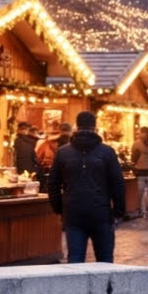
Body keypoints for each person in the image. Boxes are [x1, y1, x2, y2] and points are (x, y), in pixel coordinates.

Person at [47, 112, 125, 263]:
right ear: (95, 127)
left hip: (73, 212)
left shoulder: (63, 152)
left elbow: (53, 183)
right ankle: (104, 288)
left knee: (75, 260)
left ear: (76, 126)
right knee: (105, 261)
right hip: (101, 212)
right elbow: (118, 183)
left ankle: (76, 287)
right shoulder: (107, 152)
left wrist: (59, 208)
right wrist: (118, 211)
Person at [131, 126, 148, 219]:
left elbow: (133, 159)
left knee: (140, 193)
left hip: (141, 172)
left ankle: (140, 211)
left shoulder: (136, 144)